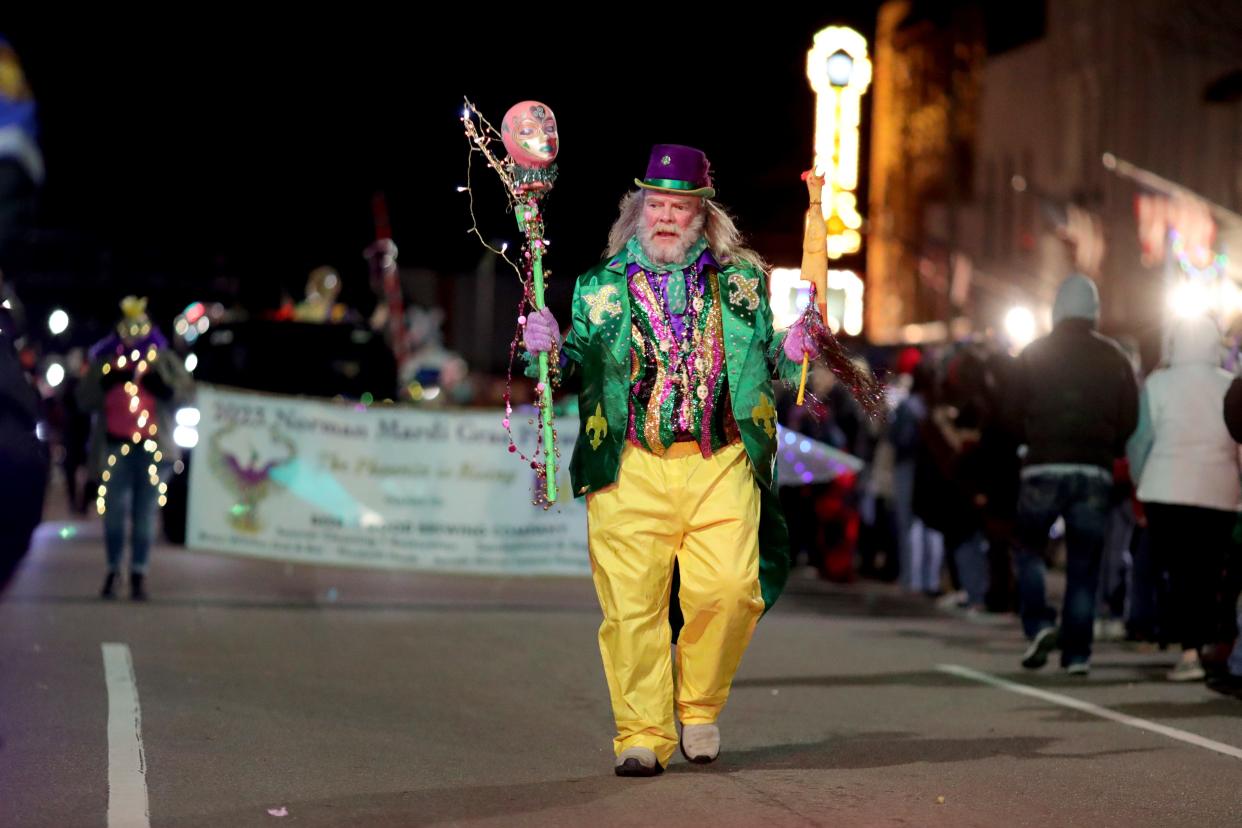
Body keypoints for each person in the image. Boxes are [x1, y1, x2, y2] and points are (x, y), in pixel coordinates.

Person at [522, 145, 821, 776]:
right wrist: (543, 345)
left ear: (702, 216)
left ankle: (699, 705)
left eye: (678, 206)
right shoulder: (598, 288)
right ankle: (641, 733)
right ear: (636, 213)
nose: (665, 217)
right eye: (654, 204)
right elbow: (565, 363)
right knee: (632, 606)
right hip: (630, 465)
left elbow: (772, 358)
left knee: (732, 590)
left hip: (721, 461)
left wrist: (793, 349)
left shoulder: (742, 283)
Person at [1004, 273, 1138, 675]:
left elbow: (1010, 408)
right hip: (1093, 468)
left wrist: (1026, 442)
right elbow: (1131, 414)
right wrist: (1109, 446)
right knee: (1084, 561)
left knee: (1028, 548)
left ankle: (1041, 623)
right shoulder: (1115, 356)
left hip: (1043, 463)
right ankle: (1078, 653)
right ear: (1094, 310)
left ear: (1057, 307)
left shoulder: (1033, 353)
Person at [1127, 315, 1240, 682]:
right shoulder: (1229, 385)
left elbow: (1141, 440)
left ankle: (1188, 649)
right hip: (1219, 490)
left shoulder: (1158, 384)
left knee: (1178, 571)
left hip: (1165, 488)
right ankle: (1208, 643)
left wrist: (1140, 479)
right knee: (1209, 571)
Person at [79, 297, 193, 600]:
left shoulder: (163, 359)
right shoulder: (104, 360)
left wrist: (164, 388)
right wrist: (105, 382)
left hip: (154, 450)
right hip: (115, 446)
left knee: (145, 516)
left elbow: (186, 393)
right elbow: (83, 399)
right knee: (113, 515)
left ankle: (139, 572)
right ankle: (114, 569)